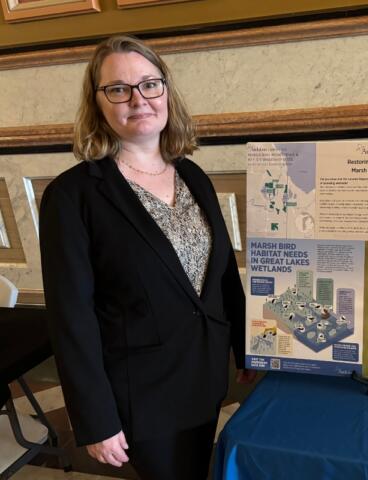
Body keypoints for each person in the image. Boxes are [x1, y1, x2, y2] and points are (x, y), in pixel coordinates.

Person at [39, 35, 255, 480]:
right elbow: (71, 317)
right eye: (118, 89)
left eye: (149, 84)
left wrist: (248, 348)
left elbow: (222, 273)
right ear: (97, 103)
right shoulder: (73, 195)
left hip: (206, 373)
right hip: (141, 392)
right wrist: (95, 419)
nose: (138, 99)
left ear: (166, 93)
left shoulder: (192, 174)